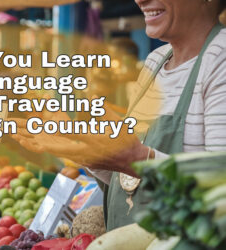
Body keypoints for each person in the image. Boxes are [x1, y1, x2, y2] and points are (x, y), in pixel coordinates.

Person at [12, 0, 226, 231]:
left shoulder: (220, 60)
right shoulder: (155, 61)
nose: (140, 0)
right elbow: (131, 181)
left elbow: (220, 191)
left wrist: (137, 160)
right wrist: (90, 153)